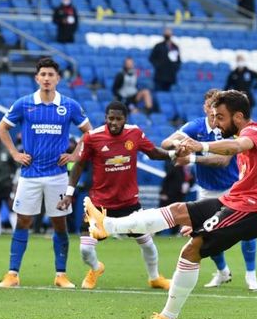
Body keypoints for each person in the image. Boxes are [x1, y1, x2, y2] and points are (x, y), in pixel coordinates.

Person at [85, 90, 257, 319]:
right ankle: (108, 226)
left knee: (192, 249)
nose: (217, 123)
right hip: (235, 201)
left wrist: (200, 146)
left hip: (252, 211)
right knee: (179, 210)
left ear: (239, 117)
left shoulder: (256, 132)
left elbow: (235, 146)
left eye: (221, 117)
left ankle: (167, 318)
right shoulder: (249, 146)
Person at [0, 57, 93, 288]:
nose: (47, 79)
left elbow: (89, 132)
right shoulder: (24, 104)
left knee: (60, 224)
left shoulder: (69, 105)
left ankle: (61, 275)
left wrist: (75, 155)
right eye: (43, 75)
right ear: (36, 78)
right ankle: (12, 274)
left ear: (58, 78)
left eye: (51, 75)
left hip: (58, 176)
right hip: (30, 174)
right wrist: (15, 154)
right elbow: (2, 128)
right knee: (23, 221)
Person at [58, 101, 173, 290]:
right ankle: (96, 268)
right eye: (110, 118)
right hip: (99, 206)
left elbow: (153, 153)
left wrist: (174, 155)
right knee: (85, 249)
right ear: (105, 118)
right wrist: (69, 193)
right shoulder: (93, 137)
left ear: (125, 119)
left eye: (118, 119)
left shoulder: (134, 133)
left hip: (129, 204)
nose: (114, 122)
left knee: (147, 244)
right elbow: (78, 165)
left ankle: (155, 278)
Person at [162, 89, 257, 291]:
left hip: (233, 188)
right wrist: (179, 144)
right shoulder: (197, 126)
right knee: (207, 233)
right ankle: (223, 272)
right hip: (206, 190)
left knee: (248, 233)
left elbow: (223, 161)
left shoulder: (230, 128)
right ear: (205, 107)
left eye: (217, 109)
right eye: (210, 107)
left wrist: (191, 157)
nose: (213, 112)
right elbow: (165, 143)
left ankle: (251, 276)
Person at [149, 28, 181, 92]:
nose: (167, 34)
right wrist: (158, 66)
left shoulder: (175, 47)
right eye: (166, 33)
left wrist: (175, 68)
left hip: (170, 77)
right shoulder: (158, 46)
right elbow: (151, 58)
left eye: (169, 33)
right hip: (160, 76)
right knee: (158, 93)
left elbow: (178, 61)